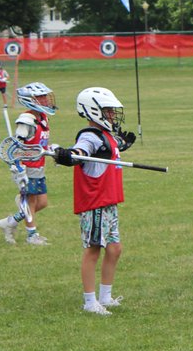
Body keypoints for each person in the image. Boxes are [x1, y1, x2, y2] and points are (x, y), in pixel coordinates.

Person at [51, 87, 137, 316]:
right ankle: (90, 302)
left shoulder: (106, 136)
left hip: (109, 201)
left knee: (115, 248)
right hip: (96, 202)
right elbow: (81, 151)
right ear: (94, 111)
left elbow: (109, 148)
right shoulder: (89, 135)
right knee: (93, 250)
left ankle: (105, 297)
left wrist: (123, 144)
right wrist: (69, 155)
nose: (112, 116)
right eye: (108, 111)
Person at [0, 82, 57, 246]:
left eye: (45, 96)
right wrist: (18, 168)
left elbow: (40, 145)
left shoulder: (43, 118)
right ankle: (32, 236)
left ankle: (10, 222)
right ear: (30, 99)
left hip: (39, 168)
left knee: (42, 203)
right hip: (27, 168)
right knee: (30, 202)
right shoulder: (26, 120)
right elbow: (15, 149)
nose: (45, 100)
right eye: (40, 97)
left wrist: (52, 150)